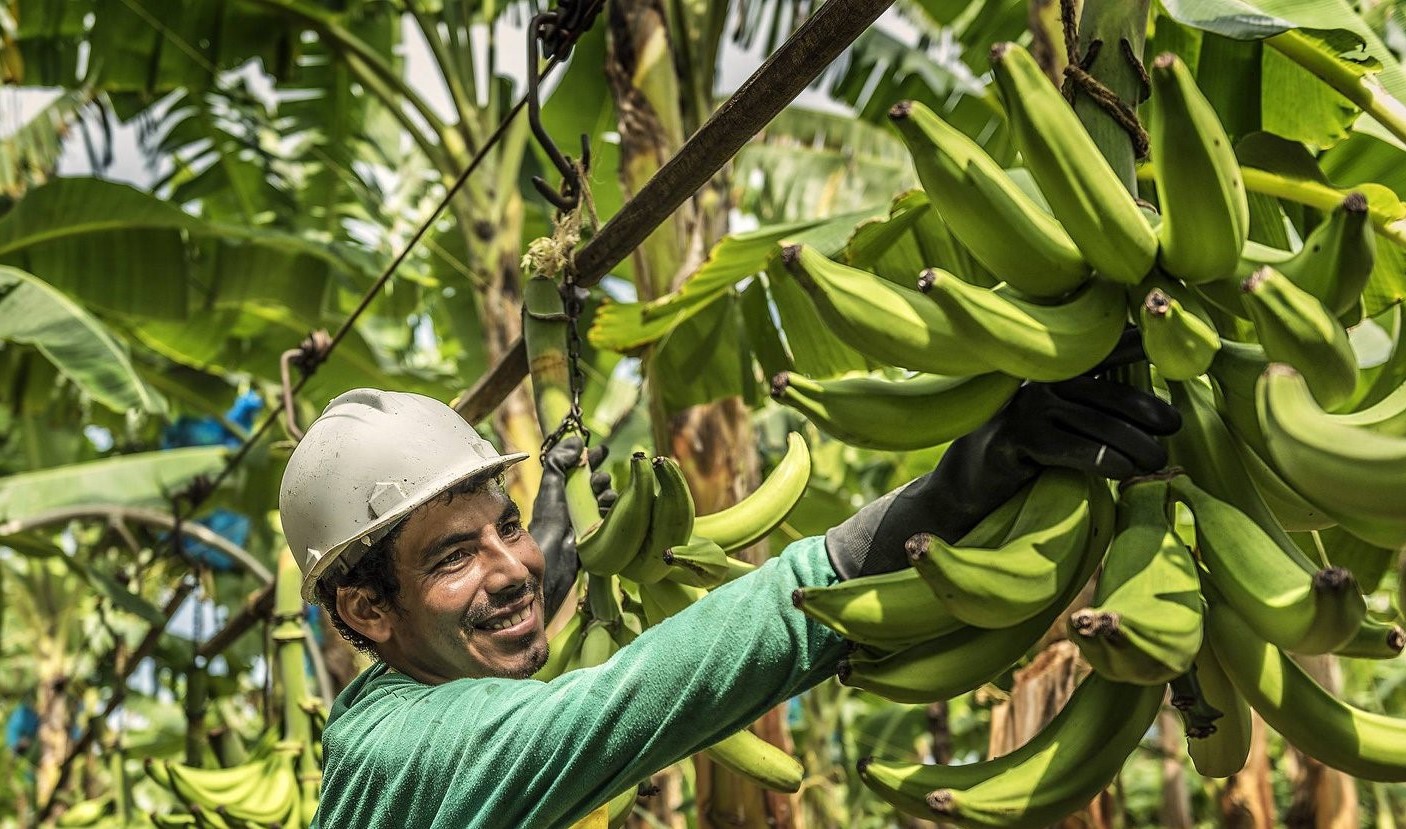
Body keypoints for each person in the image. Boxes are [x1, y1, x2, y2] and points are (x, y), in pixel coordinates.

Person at [279, 367, 1179, 828]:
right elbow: (635, 694)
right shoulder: (410, 752)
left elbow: (531, 572)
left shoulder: (402, 698)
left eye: (504, 527)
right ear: (363, 611)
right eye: (450, 558)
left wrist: (550, 507)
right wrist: (947, 495)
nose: (512, 570)